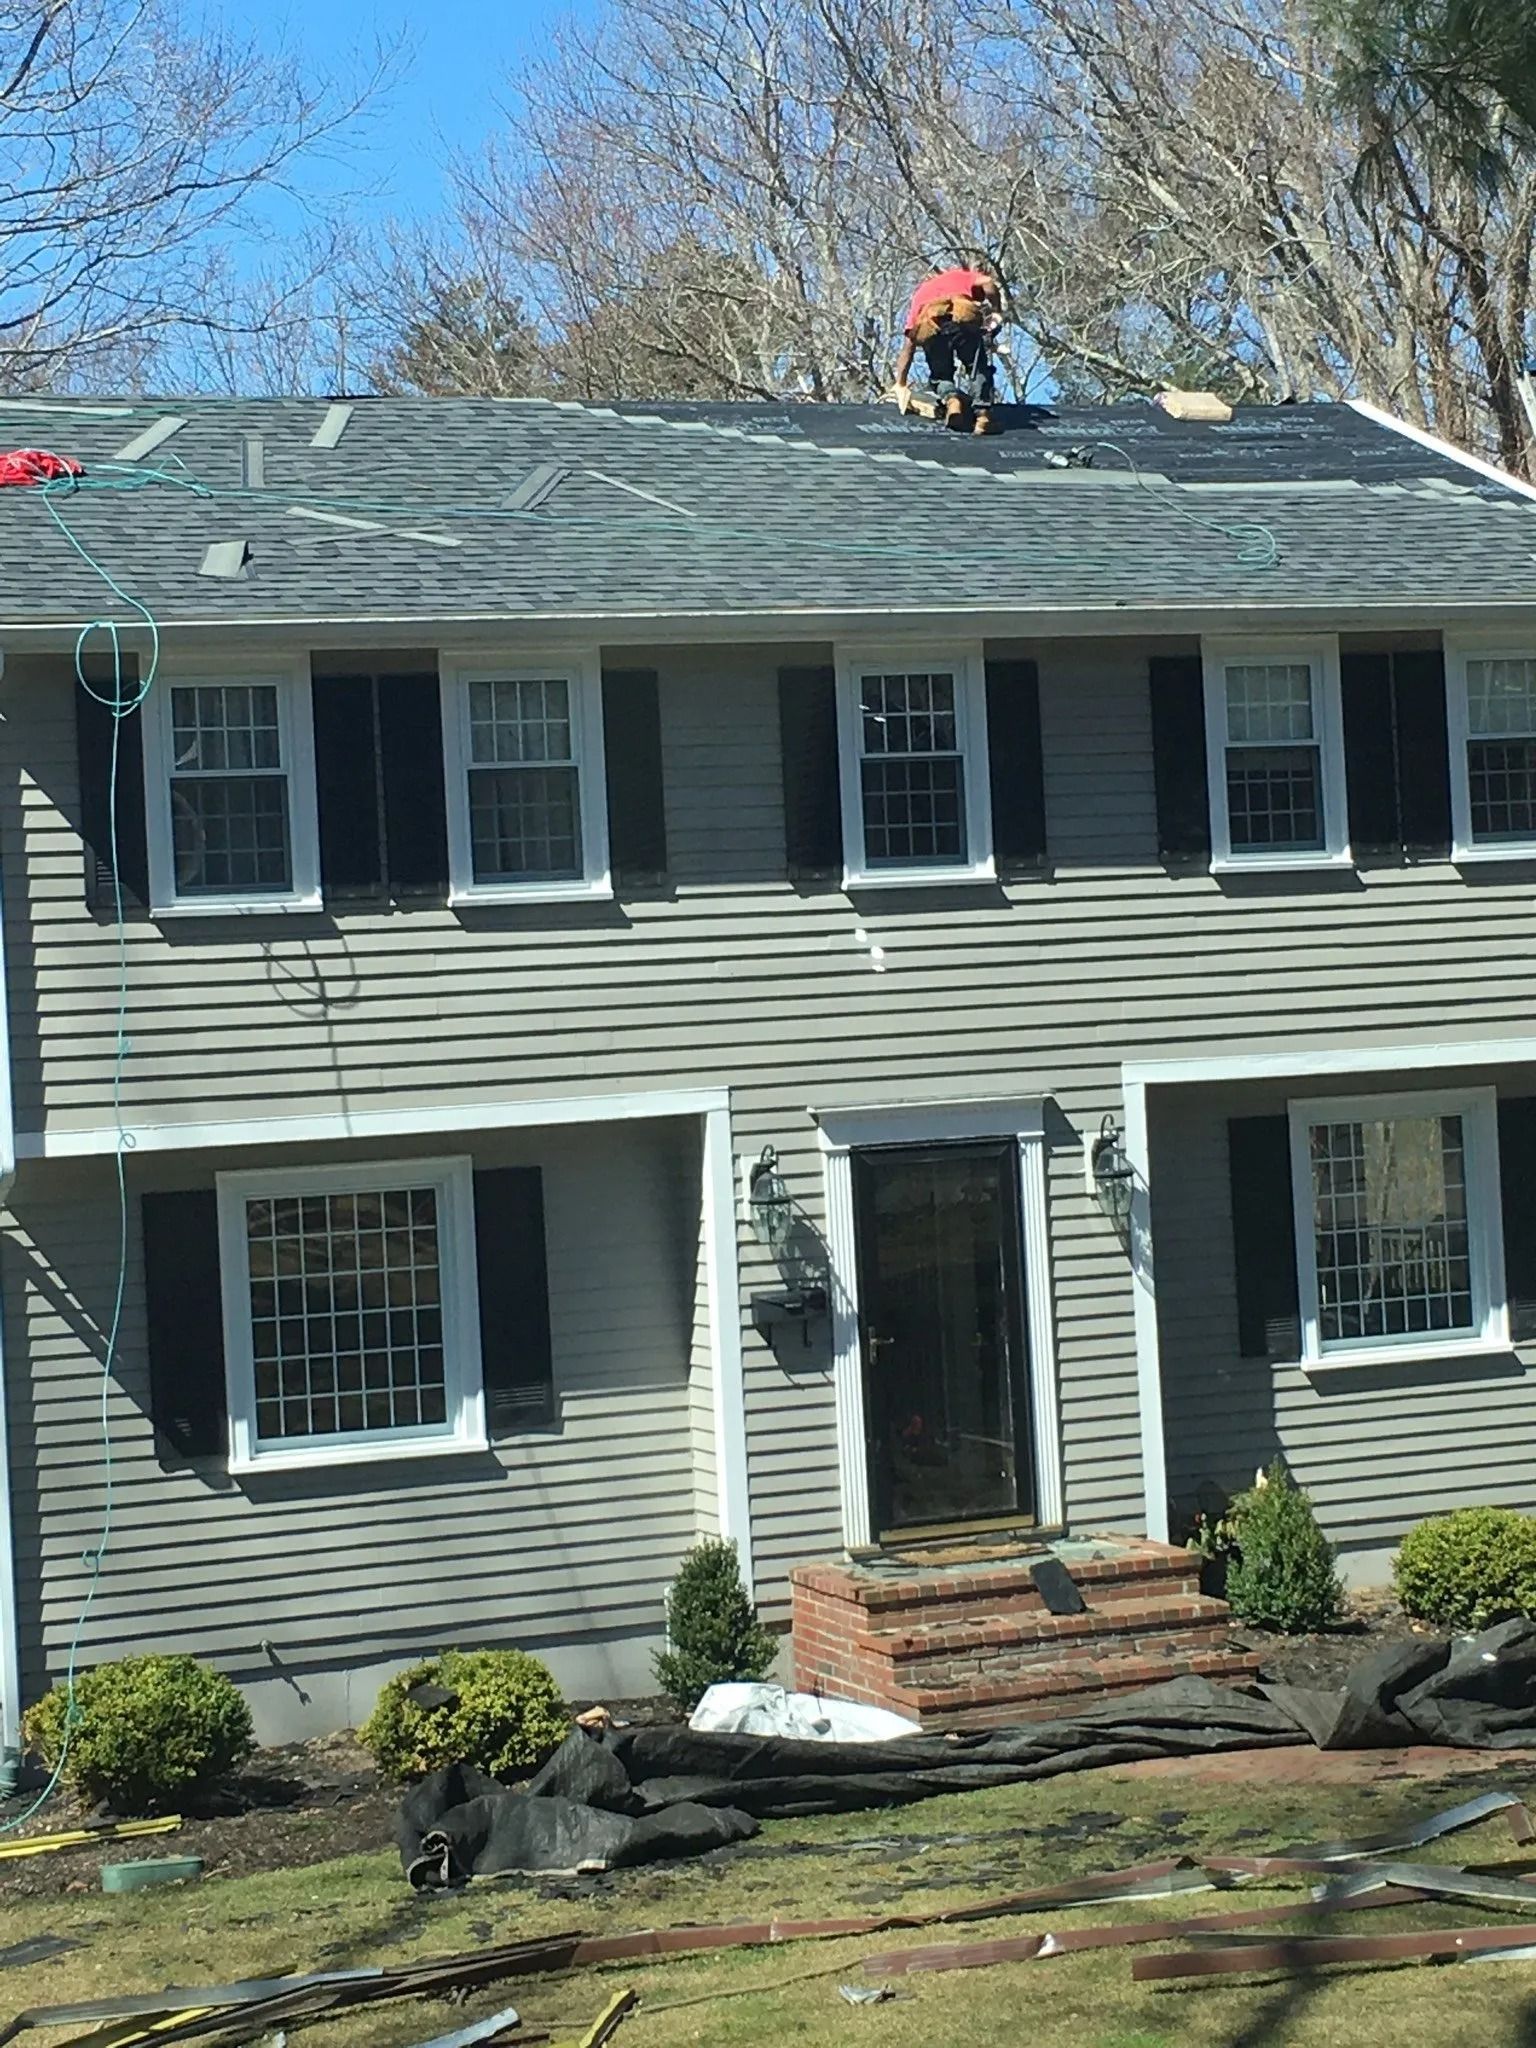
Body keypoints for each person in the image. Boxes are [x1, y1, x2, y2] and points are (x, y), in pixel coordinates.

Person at [893, 262, 1003, 433]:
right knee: (977, 367)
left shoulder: (922, 291)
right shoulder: (962, 276)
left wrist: (900, 383)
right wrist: (996, 311)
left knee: (940, 376)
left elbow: (909, 345)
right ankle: (983, 416)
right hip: (961, 316)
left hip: (929, 325)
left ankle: (953, 403)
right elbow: (987, 283)